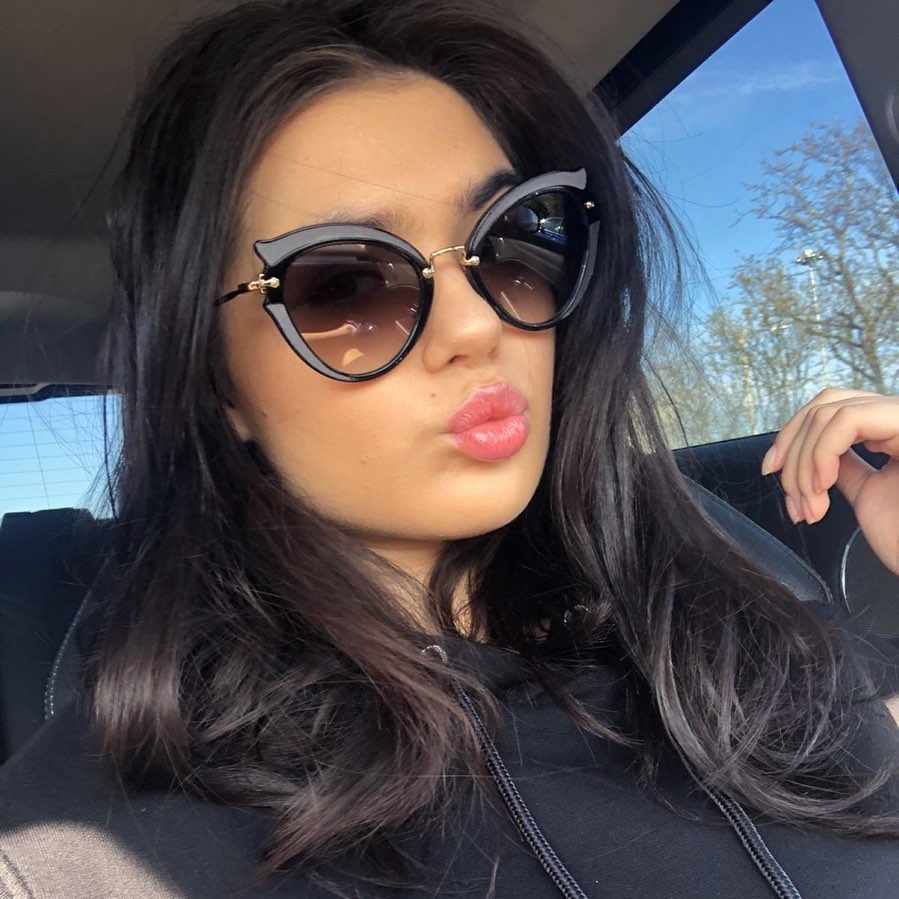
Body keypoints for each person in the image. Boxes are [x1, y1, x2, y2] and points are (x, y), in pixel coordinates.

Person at [0, 1, 897, 896]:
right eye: (345, 284)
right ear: (218, 382)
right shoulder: (91, 847)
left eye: (511, 240)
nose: (477, 325)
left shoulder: (742, 633)